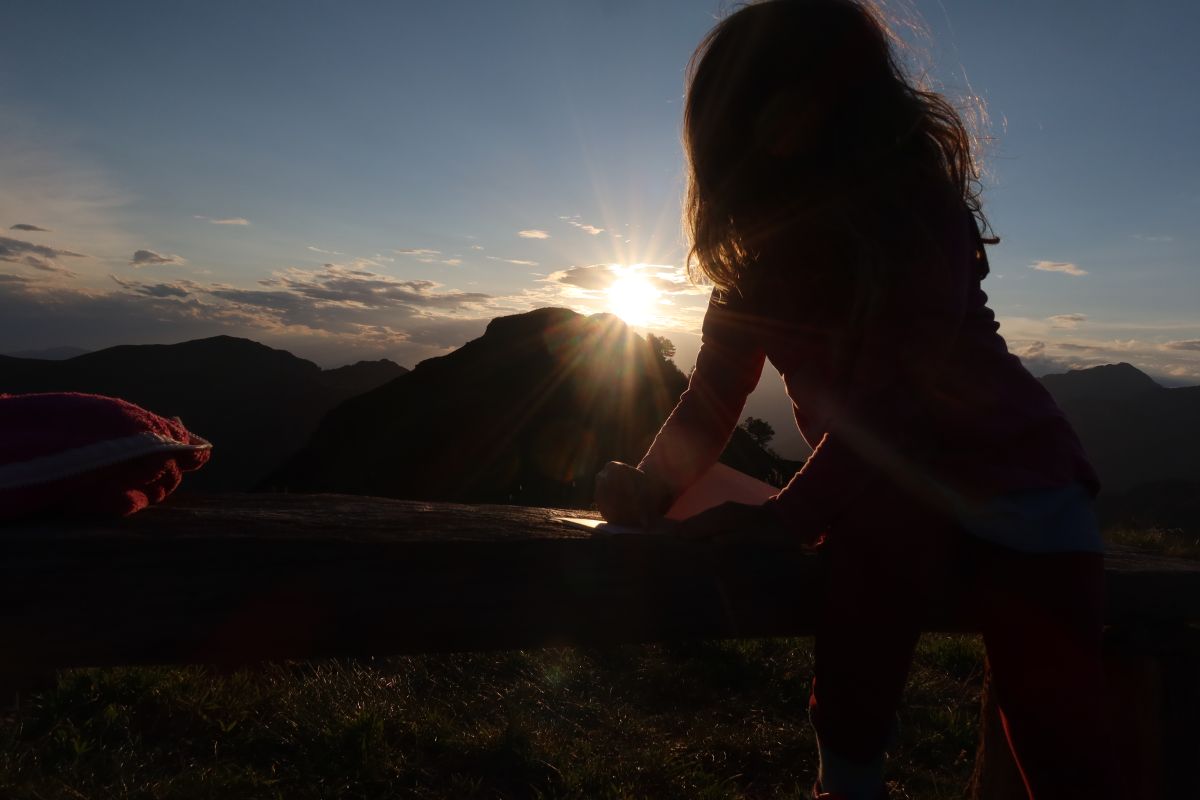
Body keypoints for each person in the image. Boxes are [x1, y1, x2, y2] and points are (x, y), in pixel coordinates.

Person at [593, 2, 1117, 798]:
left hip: (1025, 493)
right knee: (855, 665)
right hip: (886, 494)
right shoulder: (758, 261)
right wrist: (651, 484)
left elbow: (897, 398)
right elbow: (712, 395)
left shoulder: (919, 216)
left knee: (1061, 738)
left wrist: (789, 518)